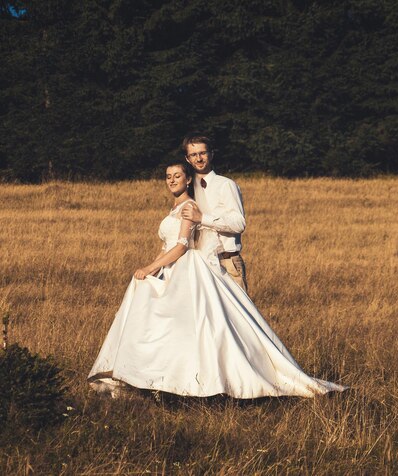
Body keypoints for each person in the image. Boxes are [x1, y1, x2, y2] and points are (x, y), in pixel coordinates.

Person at [88, 161, 346, 399]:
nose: (172, 180)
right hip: (171, 268)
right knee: (156, 312)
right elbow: (165, 246)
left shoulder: (190, 207)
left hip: (184, 268)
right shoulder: (175, 207)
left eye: (177, 176)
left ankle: (186, 380)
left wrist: (150, 267)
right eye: (168, 177)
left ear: (187, 180)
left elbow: (180, 247)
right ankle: (143, 375)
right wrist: (152, 269)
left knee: (189, 326)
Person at [180, 134, 248, 292]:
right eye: (193, 155)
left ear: (211, 154)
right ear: (187, 159)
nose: (199, 159)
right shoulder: (188, 189)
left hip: (227, 262)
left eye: (203, 153)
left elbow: (239, 224)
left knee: (237, 315)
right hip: (200, 264)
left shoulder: (226, 185)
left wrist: (202, 218)